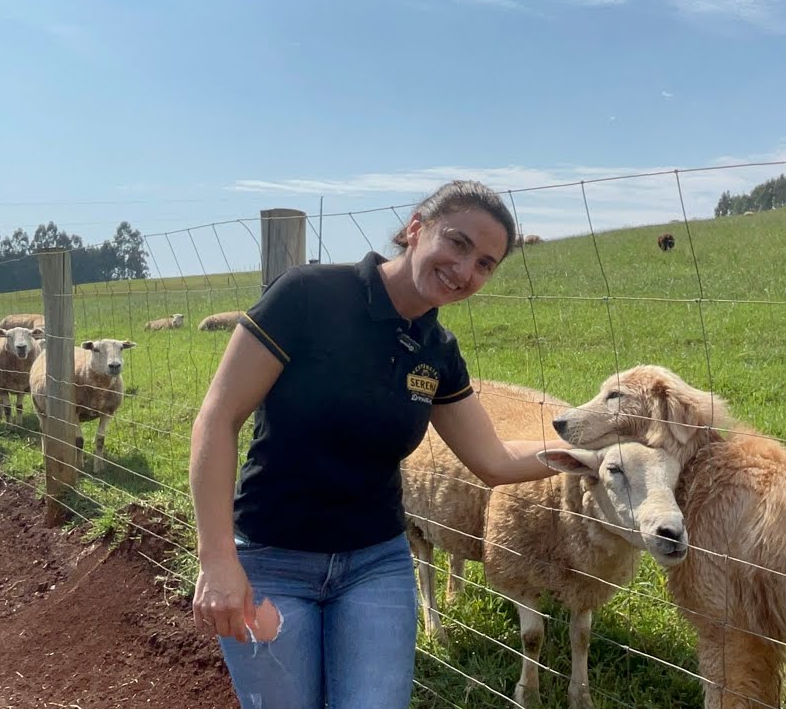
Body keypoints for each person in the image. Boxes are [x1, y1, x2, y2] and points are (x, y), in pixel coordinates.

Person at [188, 180, 565, 709]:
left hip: (375, 567)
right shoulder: (307, 296)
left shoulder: (437, 350)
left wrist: (588, 453)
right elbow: (217, 418)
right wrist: (218, 560)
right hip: (273, 560)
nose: (465, 271)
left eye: (485, 263)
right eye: (457, 243)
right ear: (415, 228)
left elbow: (493, 460)